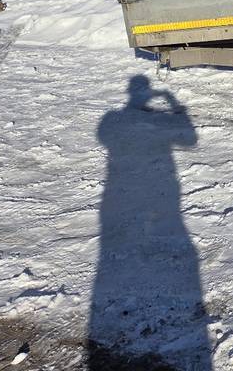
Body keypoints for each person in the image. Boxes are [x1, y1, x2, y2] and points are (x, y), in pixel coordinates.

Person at [87, 76, 212, 370]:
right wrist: (173, 105)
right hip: (158, 190)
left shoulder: (112, 119)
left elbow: (104, 136)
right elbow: (190, 139)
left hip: (126, 190)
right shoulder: (119, 120)